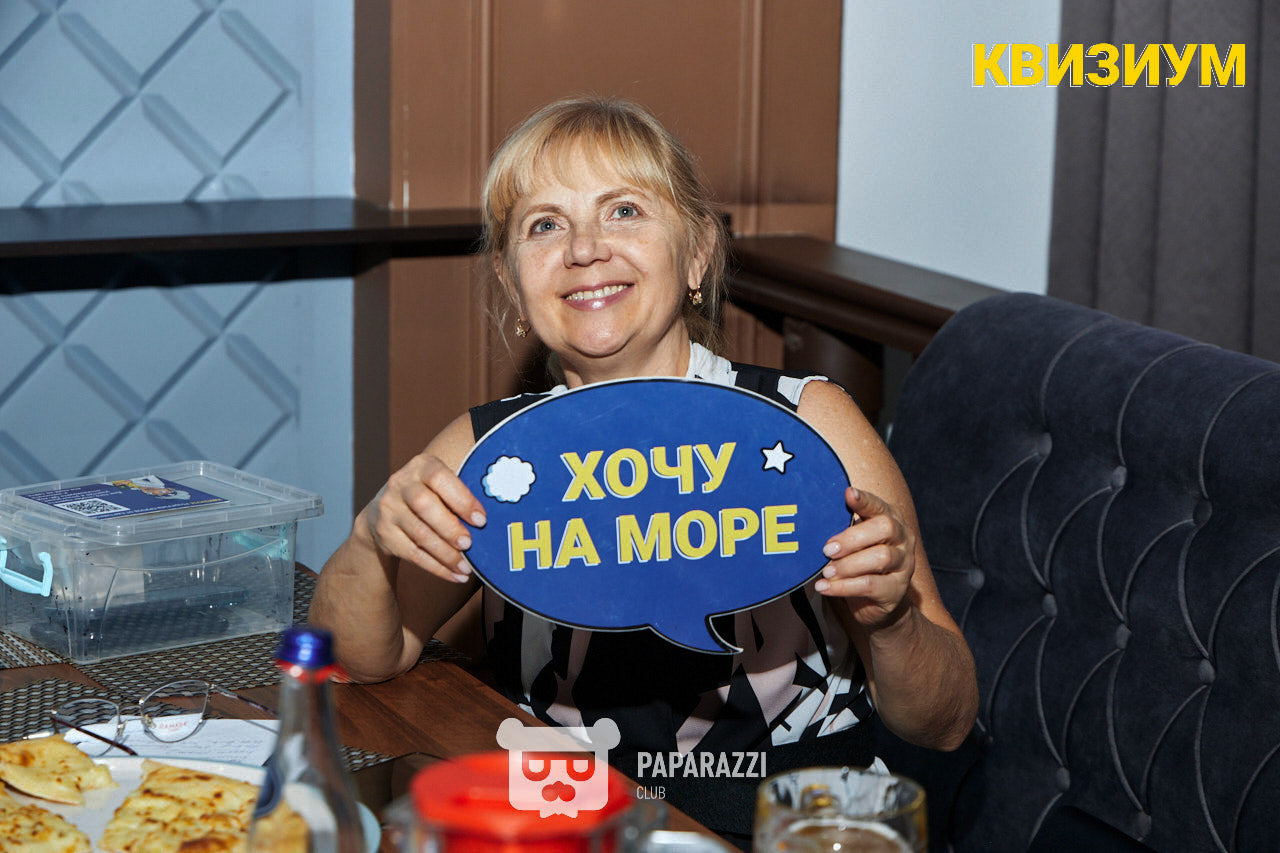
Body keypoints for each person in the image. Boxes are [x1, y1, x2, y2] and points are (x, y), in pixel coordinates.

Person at [310, 96, 978, 846]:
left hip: (783, 821)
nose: (584, 249)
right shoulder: (492, 453)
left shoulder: (808, 424)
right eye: (544, 225)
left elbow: (946, 723)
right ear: (511, 279)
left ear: (696, 255)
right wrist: (371, 538)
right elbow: (360, 657)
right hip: (563, 813)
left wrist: (892, 620)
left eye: (623, 211)